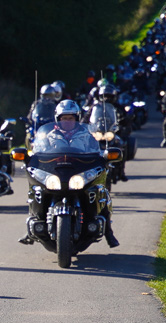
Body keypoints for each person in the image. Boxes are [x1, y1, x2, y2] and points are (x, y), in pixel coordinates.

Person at [19, 100, 119, 248]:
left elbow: (96, 150)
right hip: (56, 171)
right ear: (58, 119)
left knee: (101, 192)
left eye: (70, 118)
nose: (67, 121)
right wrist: (29, 157)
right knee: (36, 191)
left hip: (78, 170)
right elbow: (38, 152)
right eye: (64, 118)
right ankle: (32, 229)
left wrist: (105, 156)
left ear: (76, 119)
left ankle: (109, 233)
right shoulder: (48, 135)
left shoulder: (86, 135)